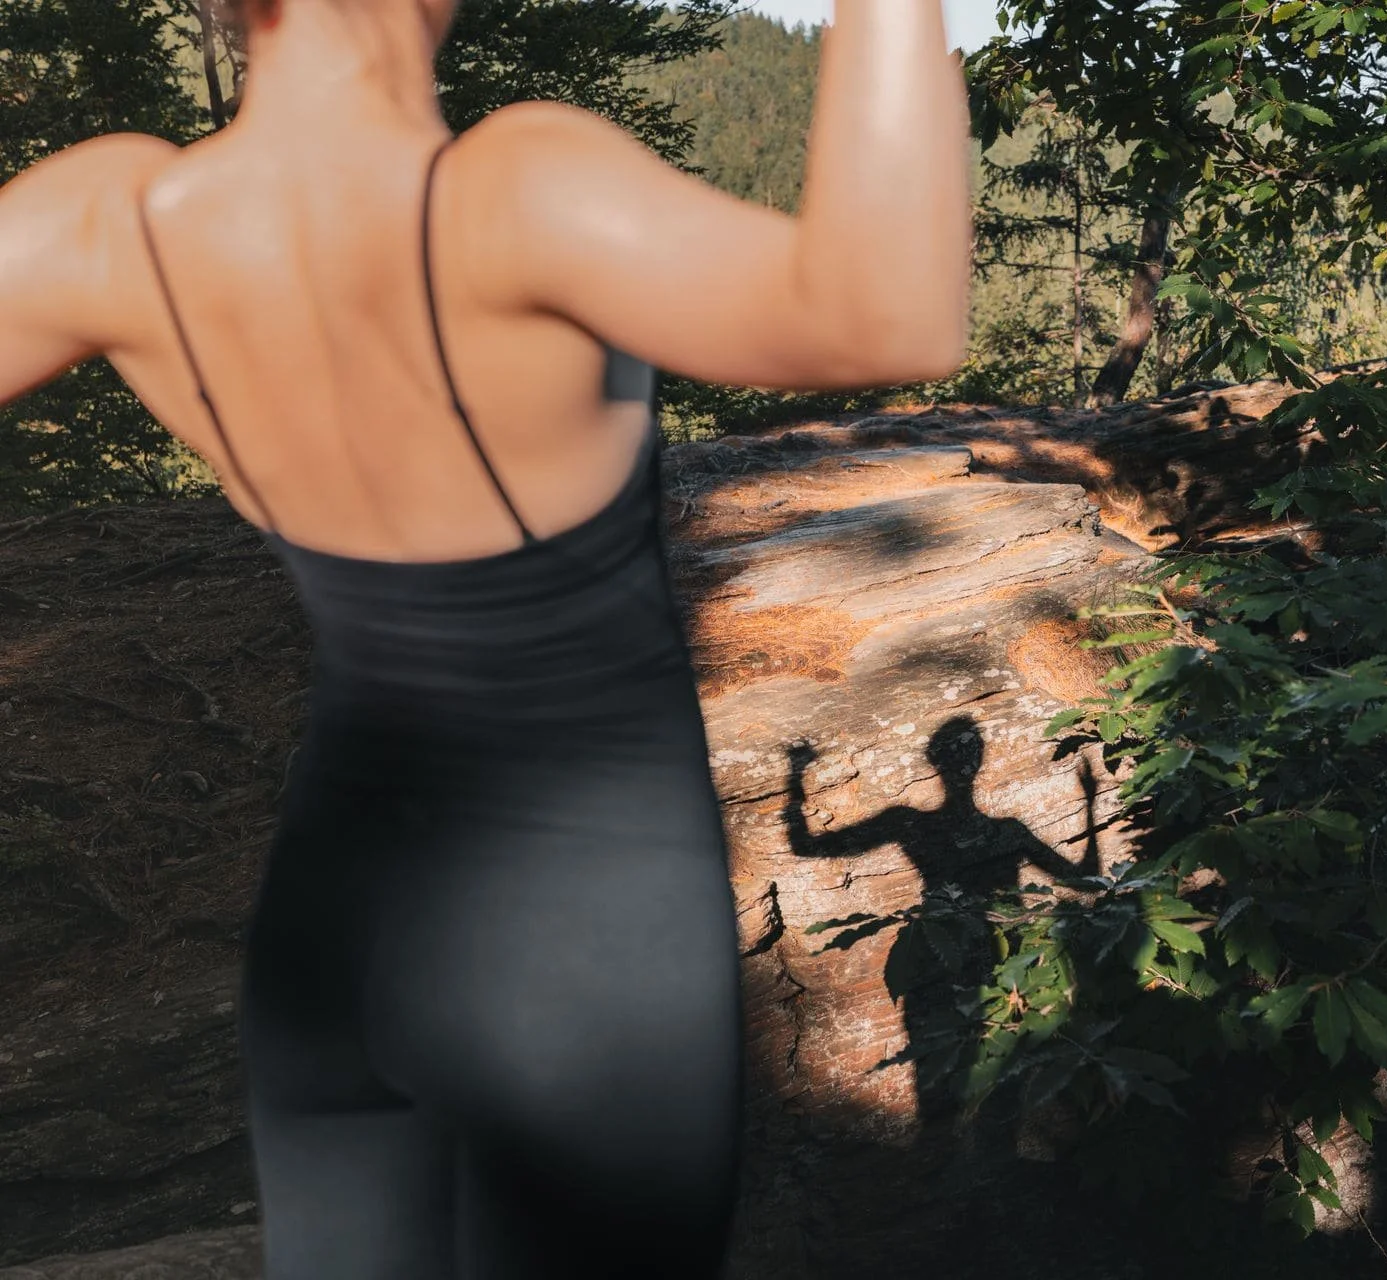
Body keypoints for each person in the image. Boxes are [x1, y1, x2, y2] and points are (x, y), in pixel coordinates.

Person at [0, 0, 973, 1274]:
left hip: (333, 940)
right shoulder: (513, 193)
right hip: (587, 956)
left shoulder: (105, 223)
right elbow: (885, 315)